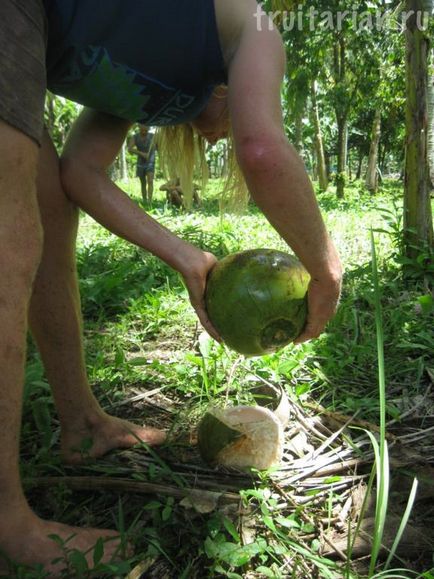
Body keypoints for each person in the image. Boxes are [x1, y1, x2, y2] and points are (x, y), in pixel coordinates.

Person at [0, 0, 342, 574]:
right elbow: (261, 151)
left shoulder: (152, 83)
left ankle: (81, 423)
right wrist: (327, 268)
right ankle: (7, 523)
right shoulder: (255, 28)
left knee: (45, 210)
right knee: (10, 232)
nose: (220, 138)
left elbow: (79, 174)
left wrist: (188, 258)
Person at [127, 125, 157, 206]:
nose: (144, 132)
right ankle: (144, 200)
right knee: (143, 182)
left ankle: (150, 201)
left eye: (146, 130)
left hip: (150, 162)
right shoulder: (135, 137)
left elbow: (160, 146)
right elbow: (129, 149)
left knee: (150, 180)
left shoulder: (153, 137)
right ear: (139, 128)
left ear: (148, 129)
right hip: (140, 163)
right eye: (142, 130)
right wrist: (141, 153)